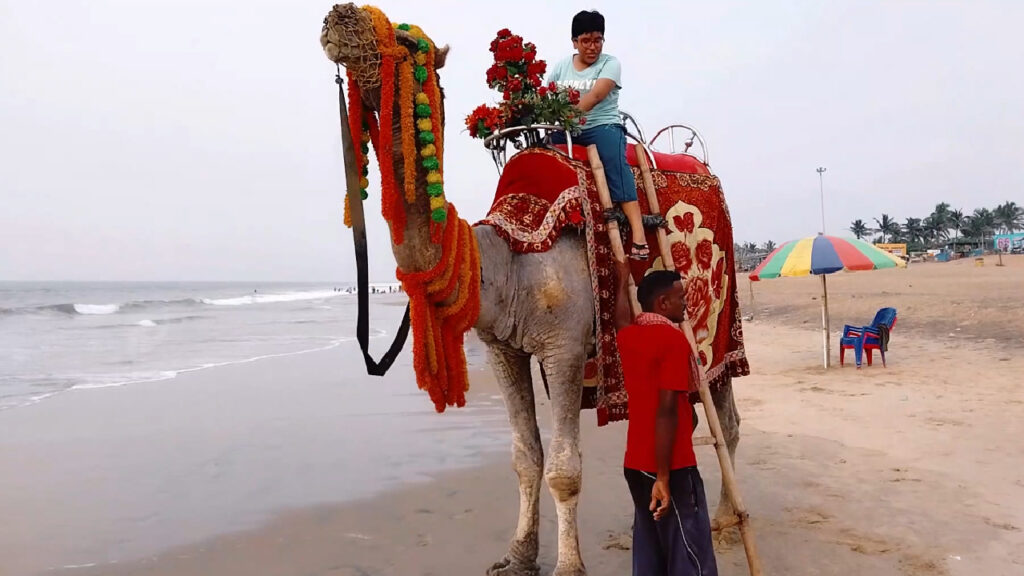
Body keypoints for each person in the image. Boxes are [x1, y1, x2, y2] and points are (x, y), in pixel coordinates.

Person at [614, 260, 718, 575]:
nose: (686, 304)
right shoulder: (673, 342)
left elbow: (620, 320)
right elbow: (668, 410)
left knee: (649, 548)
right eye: (680, 298)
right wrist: (663, 477)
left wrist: (621, 283)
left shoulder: (629, 337)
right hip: (671, 464)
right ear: (663, 303)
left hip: (635, 463)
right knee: (689, 550)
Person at [546, 10, 649, 260]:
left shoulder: (610, 64)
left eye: (597, 40)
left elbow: (596, 96)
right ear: (574, 42)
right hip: (567, 131)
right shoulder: (561, 67)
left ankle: (638, 234)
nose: (592, 47)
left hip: (602, 126)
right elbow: (547, 97)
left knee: (614, 161)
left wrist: (568, 116)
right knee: (542, 154)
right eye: (586, 41)